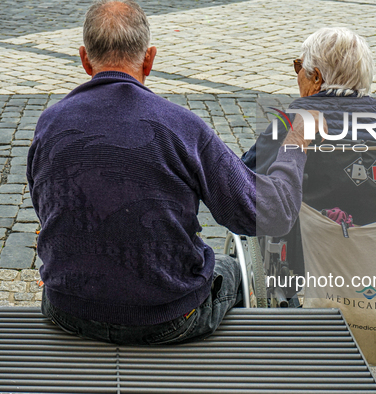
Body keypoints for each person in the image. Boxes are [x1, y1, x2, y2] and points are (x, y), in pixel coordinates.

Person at [26, 0, 314, 345]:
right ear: (149, 58)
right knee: (239, 269)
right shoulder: (182, 128)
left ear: (85, 60)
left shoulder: (49, 124)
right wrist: (295, 144)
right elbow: (270, 216)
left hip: (67, 310)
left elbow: (47, 205)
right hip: (167, 319)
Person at [242, 27, 376, 174]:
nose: (297, 73)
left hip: (313, 212)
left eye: (299, 66)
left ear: (316, 77)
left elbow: (245, 174)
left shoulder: (295, 120)